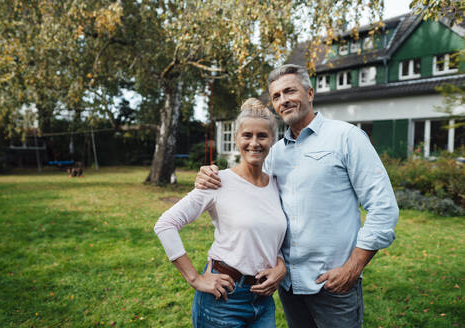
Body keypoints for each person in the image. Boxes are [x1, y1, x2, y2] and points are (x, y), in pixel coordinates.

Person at [195, 64, 399, 328]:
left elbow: (383, 207)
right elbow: (255, 203)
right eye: (276, 96)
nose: (283, 100)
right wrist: (212, 176)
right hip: (288, 286)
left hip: (334, 284)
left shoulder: (346, 138)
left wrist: (354, 267)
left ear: (310, 93)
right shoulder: (274, 154)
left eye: (290, 91)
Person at [154, 98, 288, 327]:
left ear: (272, 140)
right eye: (247, 135)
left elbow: (268, 235)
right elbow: (165, 224)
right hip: (224, 299)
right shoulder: (217, 181)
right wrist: (195, 278)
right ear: (236, 138)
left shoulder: (277, 184)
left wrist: (281, 266)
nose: (254, 143)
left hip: (263, 301)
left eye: (262, 136)